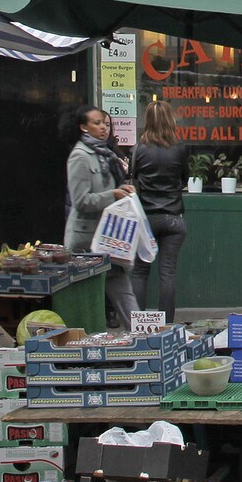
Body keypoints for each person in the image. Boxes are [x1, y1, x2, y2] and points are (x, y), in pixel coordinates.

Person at [64, 104, 139, 332]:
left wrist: (125, 190)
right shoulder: (80, 156)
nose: (103, 128)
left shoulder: (108, 154)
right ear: (83, 127)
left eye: (106, 124)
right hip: (85, 243)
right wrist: (113, 194)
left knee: (123, 290)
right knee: (88, 301)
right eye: (97, 123)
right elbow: (81, 201)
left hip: (110, 238)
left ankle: (143, 339)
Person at [131, 99, 188, 323]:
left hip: (146, 218)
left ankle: (136, 323)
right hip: (173, 218)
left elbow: (133, 178)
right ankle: (166, 325)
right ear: (170, 120)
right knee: (168, 273)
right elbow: (184, 178)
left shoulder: (139, 149)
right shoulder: (180, 148)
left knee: (139, 272)